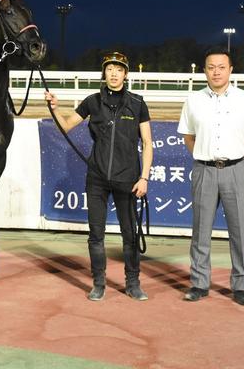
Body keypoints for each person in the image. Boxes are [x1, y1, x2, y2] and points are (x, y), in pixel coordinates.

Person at [45, 52, 153, 301]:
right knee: (96, 235)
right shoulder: (92, 101)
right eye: (110, 69)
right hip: (97, 179)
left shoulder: (137, 103)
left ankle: (133, 283)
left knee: (130, 235)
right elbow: (66, 125)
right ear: (104, 73)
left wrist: (144, 177)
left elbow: (147, 143)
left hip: (128, 180)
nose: (114, 73)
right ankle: (99, 283)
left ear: (126, 74)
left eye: (119, 69)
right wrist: (55, 108)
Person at [177, 48, 244, 306]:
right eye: (211, 67)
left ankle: (242, 285)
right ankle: (199, 283)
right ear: (204, 70)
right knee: (200, 230)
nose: (216, 72)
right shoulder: (193, 100)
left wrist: (237, 161)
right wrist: (206, 158)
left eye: (221, 67)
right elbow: (188, 137)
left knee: (239, 230)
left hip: (236, 170)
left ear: (231, 70)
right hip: (203, 170)